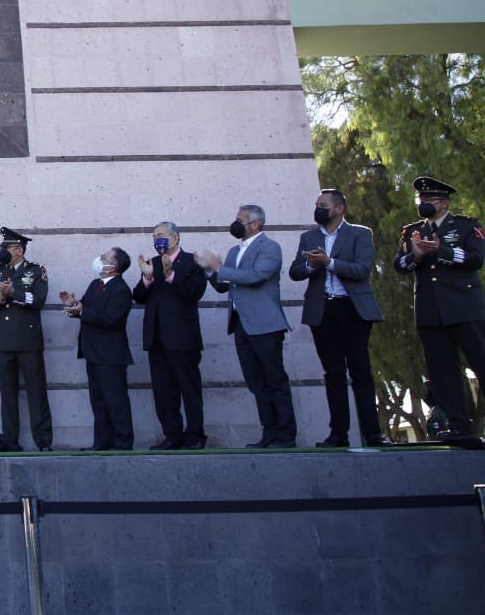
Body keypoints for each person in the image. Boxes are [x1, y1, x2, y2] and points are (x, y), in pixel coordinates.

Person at [288, 189, 389, 448]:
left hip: (352, 309)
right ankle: (338, 434)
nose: (318, 208)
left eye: (323, 205)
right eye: (316, 204)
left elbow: (363, 270)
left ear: (339, 208)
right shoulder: (309, 236)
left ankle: (372, 433)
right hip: (322, 311)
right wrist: (312, 264)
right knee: (333, 373)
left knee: (361, 372)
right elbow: (296, 271)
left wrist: (329, 262)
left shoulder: (360, 233)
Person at [196, 204, 297, 448]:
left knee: (274, 380)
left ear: (255, 224)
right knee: (256, 382)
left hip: (265, 324)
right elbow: (224, 285)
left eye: (241, 219)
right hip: (241, 324)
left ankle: (286, 435)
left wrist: (220, 268)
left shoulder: (269, 248)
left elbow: (255, 277)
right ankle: (269, 433)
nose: (236, 223)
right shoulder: (233, 251)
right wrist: (209, 270)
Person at [394, 175, 485, 443]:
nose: (424, 204)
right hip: (430, 311)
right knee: (443, 371)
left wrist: (440, 250)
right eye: (421, 199)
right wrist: (417, 255)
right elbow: (399, 266)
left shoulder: (467, 226)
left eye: (430, 200)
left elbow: (476, 259)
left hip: (464, 307)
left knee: (480, 361)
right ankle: (459, 426)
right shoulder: (411, 231)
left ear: (444, 203)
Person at [132, 222, 208, 450]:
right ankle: (171, 434)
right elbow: (138, 296)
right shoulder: (152, 263)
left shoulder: (192, 261)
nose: (157, 240)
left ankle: (194, 435)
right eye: (155, 236)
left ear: (175, 238)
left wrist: (171, 275)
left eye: (162, 236)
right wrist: (147, 279)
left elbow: (194, 293)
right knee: (163, 389)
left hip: (182, 335)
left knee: (188, 386)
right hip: (156, 336)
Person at [0, 227, 52, 451]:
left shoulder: (36, 270)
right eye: (2, 247)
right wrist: (1, 297)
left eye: (7, 248)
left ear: (19, 250)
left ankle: (43, 442)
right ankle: (11, 441)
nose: (2, 251)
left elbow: (38, 299)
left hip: (28, 341)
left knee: (36, 393)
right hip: (3, 341)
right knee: (7, 395)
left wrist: (14, 294)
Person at [61, 247, 135, 450]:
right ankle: (101, 442)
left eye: (104, 258)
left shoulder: (121, 289)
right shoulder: (96, 284)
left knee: (115, 399)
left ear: (114, 266)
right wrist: (73, 305)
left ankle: (123, 441)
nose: (100, 259)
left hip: (111, 353)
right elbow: (86, 307)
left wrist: (83, 310)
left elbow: (111, 319)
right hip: (92, 350)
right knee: (99, 400)